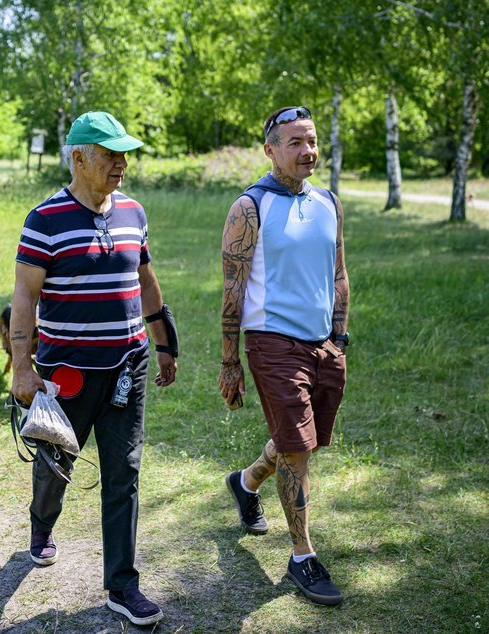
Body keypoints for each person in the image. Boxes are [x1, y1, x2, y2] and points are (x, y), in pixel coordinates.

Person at [10, 112, 179, 627]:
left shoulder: (133, 211)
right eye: (110, 155)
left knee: (124, 472)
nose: (121, 165)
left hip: (128, 364)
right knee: (57, 461)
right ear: (79, 157)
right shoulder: (45, 219)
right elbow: (24, 295)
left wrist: (164, 341)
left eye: (125, 154)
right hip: (69, 372)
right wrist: (22, 365)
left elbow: (146, 281)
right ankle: (42, 524)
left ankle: (122, 586)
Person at [218, 106, 350, 606]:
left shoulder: (329, 202)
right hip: (271, 341)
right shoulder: (249, 208)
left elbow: (338, 275)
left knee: (303, 441)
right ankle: (302, 556)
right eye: (295, 142)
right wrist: (230, 362)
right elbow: (231, 292)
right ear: (270, 149)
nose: (307, 151)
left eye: (312, 141)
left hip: (323, 343)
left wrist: (339, 338)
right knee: (297, 445)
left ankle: (245, 483)